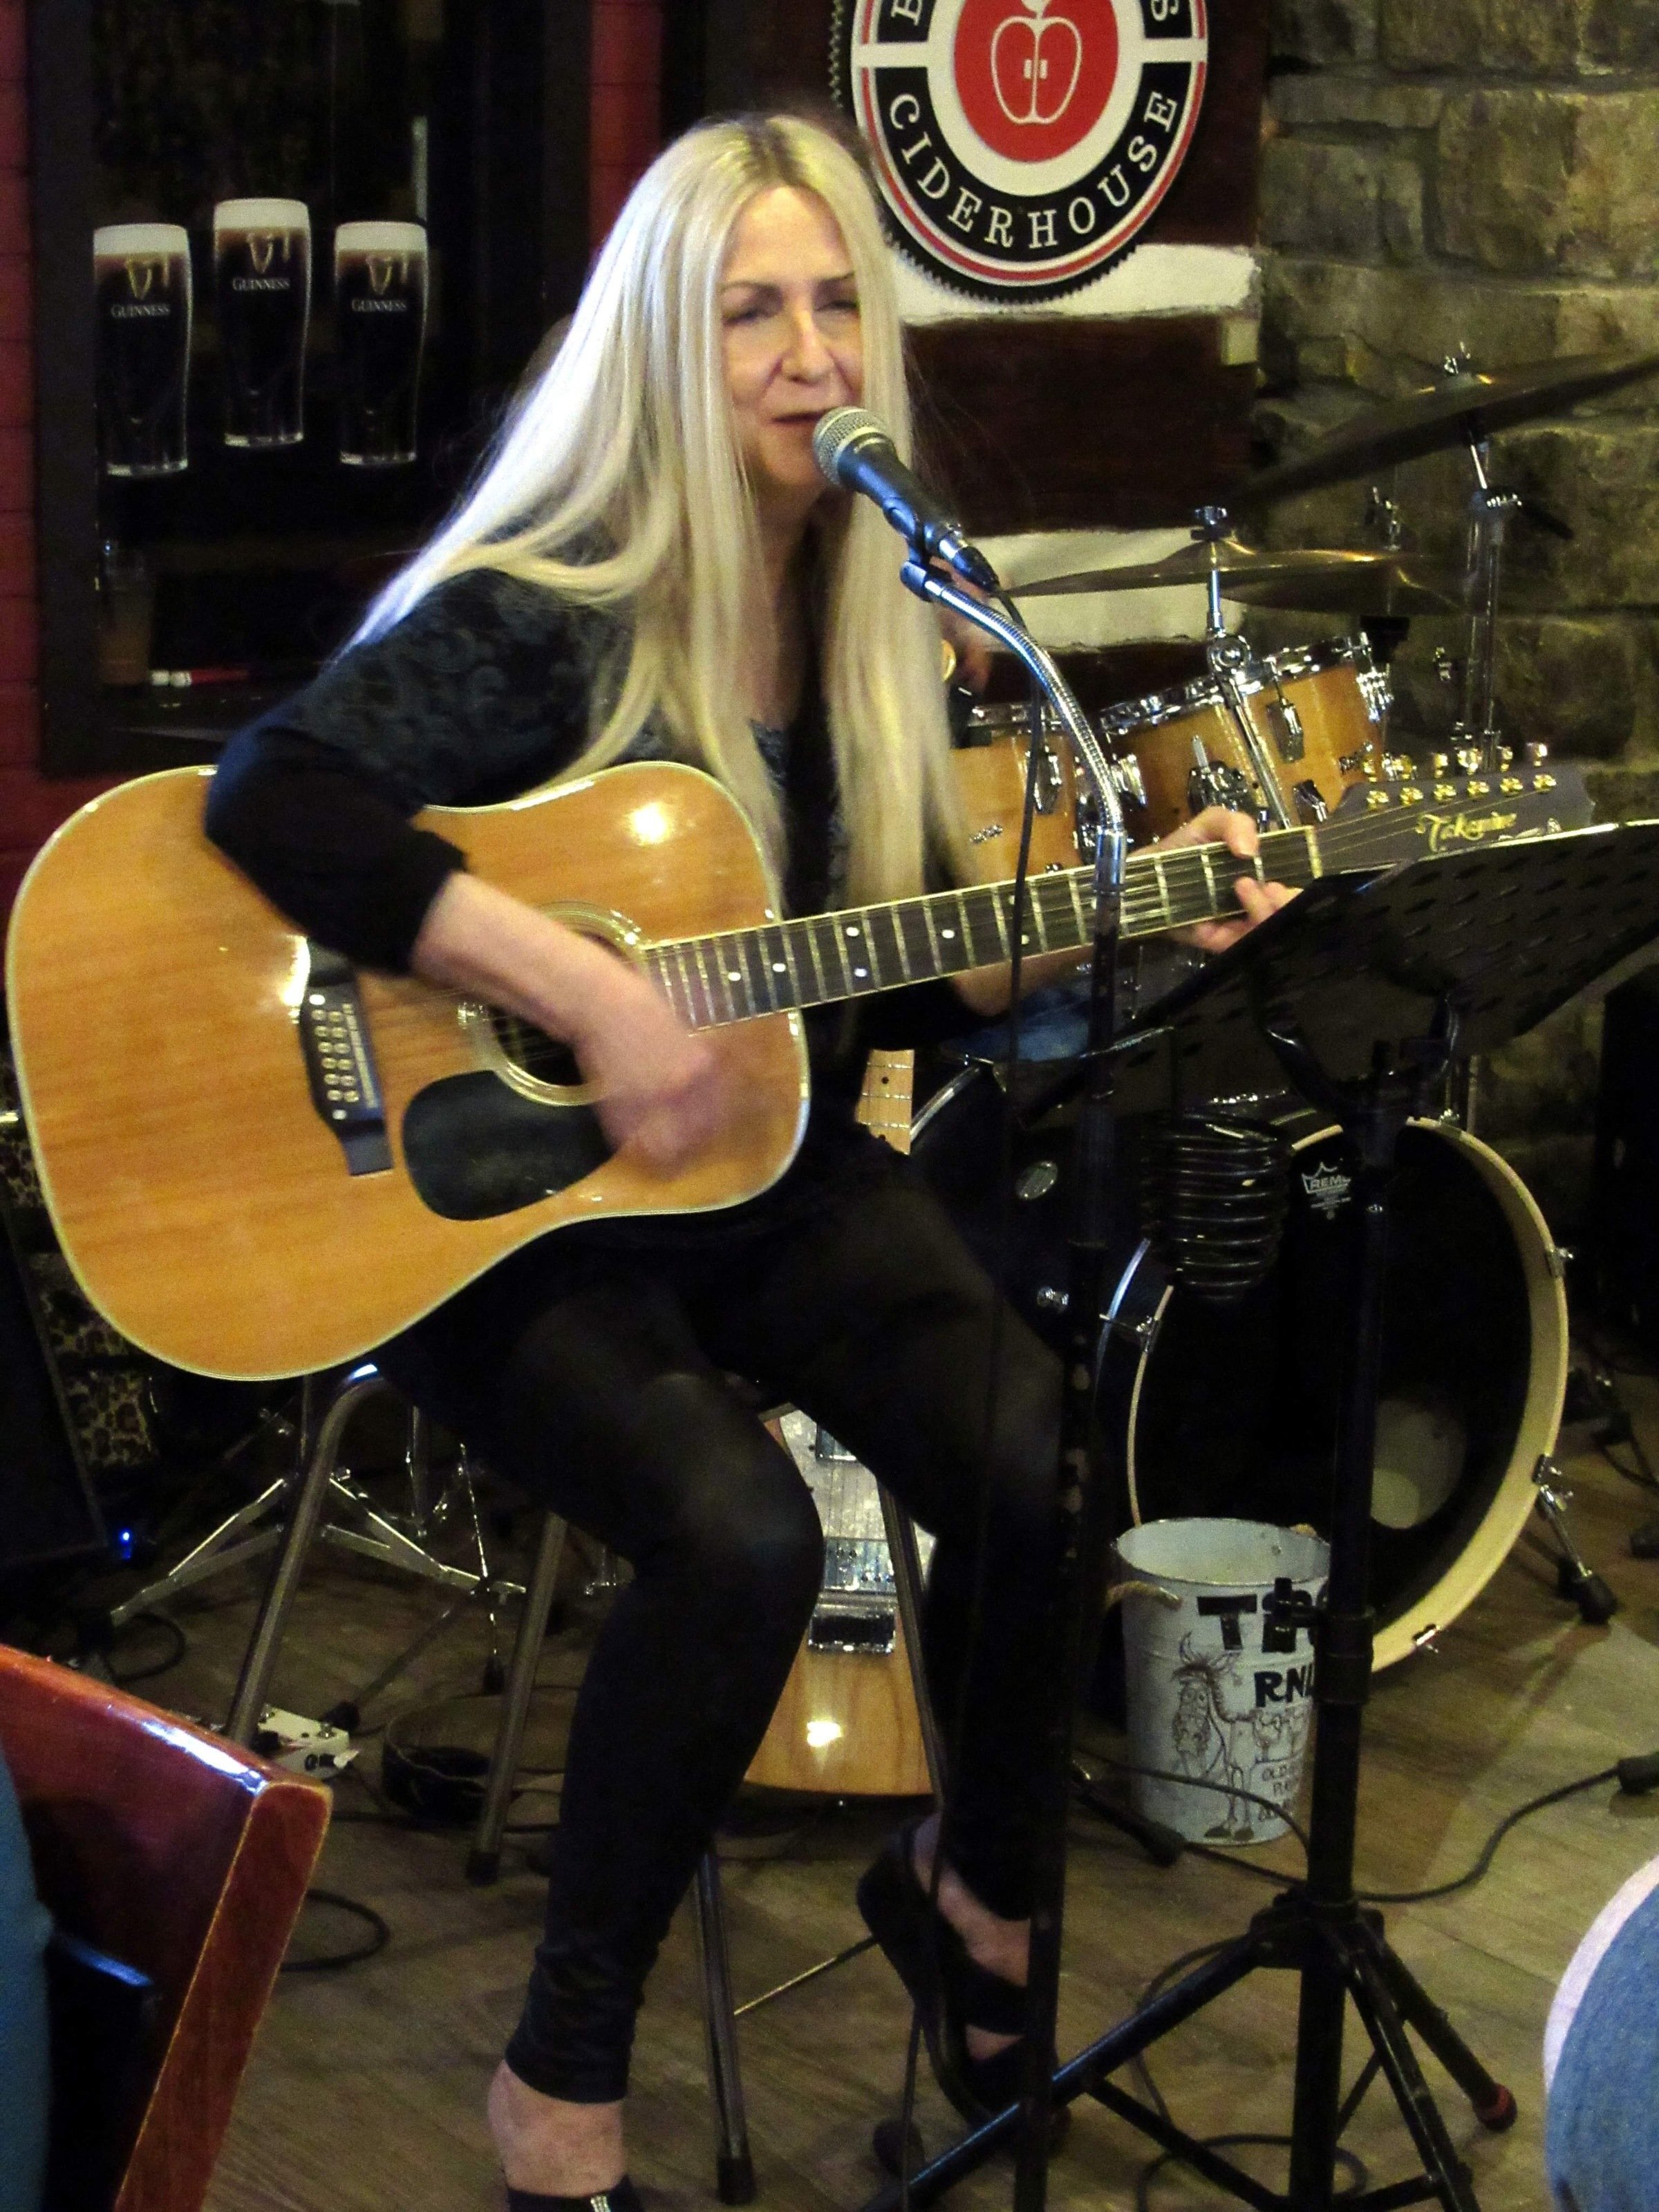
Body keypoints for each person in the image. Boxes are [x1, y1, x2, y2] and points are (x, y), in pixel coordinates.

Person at [206, 111, 1291, 2209]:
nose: (810, 357)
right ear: (665, 351)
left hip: (747, 1168)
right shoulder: (559, 607)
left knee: (1038, 1458)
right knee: (740, 1540)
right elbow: (277, 795)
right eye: (749, 314)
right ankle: (558, 2083)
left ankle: (974, 1891)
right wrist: (584, 992)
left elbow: (893, 982)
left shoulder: (877, 614)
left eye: (836, 305)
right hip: (481, 1203)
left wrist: (1139, 914)